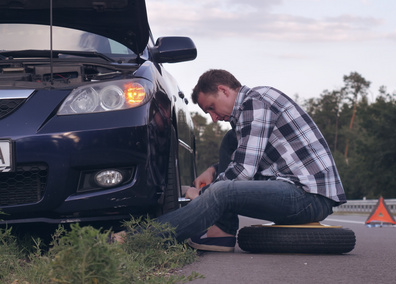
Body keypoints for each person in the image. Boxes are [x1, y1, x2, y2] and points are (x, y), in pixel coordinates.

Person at [118, 69, 347, 252]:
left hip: (309, 196)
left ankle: (136, 240)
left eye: (211, 108)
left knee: (222, 192)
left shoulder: (256, 101)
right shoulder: (250, 110)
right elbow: (249, 155)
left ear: (224, 90)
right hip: (296, 191)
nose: (214, 118)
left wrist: (201, 196)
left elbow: (244, 171)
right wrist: (213, 170)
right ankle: (222, 233)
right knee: (230, 140)